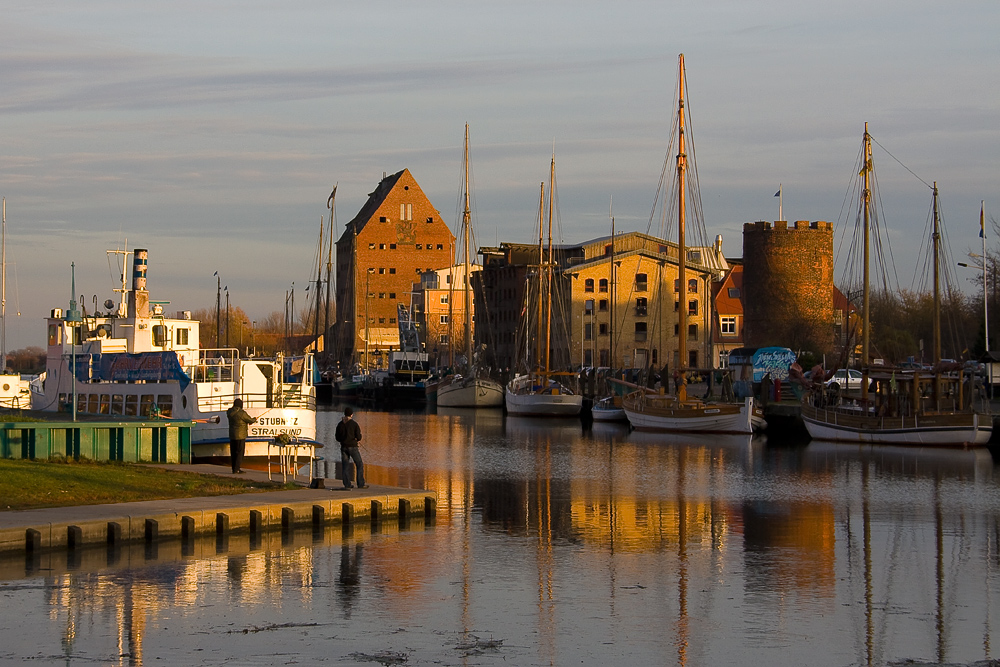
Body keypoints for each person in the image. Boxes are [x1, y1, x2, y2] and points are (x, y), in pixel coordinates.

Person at [336, 406, 367, 489]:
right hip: (353, 447)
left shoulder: (340, 424)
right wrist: (357, 438)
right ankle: (360, 484)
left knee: (345, 466)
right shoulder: (354, 424)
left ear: (344, 414)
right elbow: (359, 437)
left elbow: (337, 437)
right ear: (351, 415)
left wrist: (343, 440)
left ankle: (347, 484)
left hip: (343, 447)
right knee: (359, 464)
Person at [226, 398, 256, 474]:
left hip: (232, 435)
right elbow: (250, 420)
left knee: (233, 453)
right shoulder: (242, 413)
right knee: (239, 453)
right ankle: (237, 469)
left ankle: (233, 469)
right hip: (241, 436)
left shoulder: (229, 412)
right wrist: (254, 419)